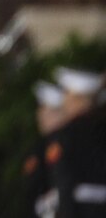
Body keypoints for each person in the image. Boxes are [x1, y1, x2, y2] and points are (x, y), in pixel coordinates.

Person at [41, 67, 106, 217]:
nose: (63, 100)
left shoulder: (64, 135)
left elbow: (64, 182)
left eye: (66, 94)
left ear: (76, 99)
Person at [22, 81, 65, 217]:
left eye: (48, 111)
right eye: (41, 110)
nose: (40, 116)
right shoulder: (41, 146)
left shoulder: (66, 144)